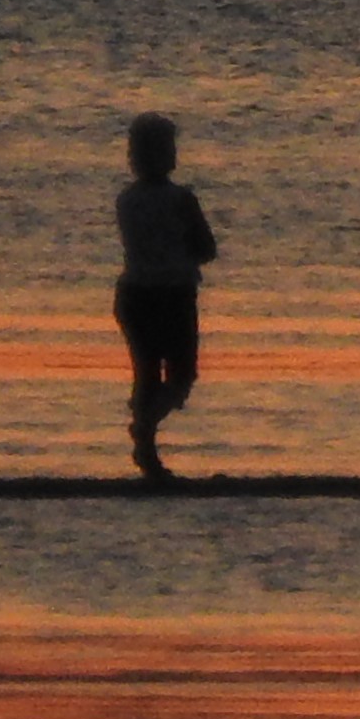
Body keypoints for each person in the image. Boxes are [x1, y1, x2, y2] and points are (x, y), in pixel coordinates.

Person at [115, 111, 219, 484]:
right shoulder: (181, 199)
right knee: (181, 376)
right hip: (172, 293)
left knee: (146, 376)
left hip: (133, 293)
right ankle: (144, 430)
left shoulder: (126, 200)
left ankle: (148, 453)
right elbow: (206, 247)